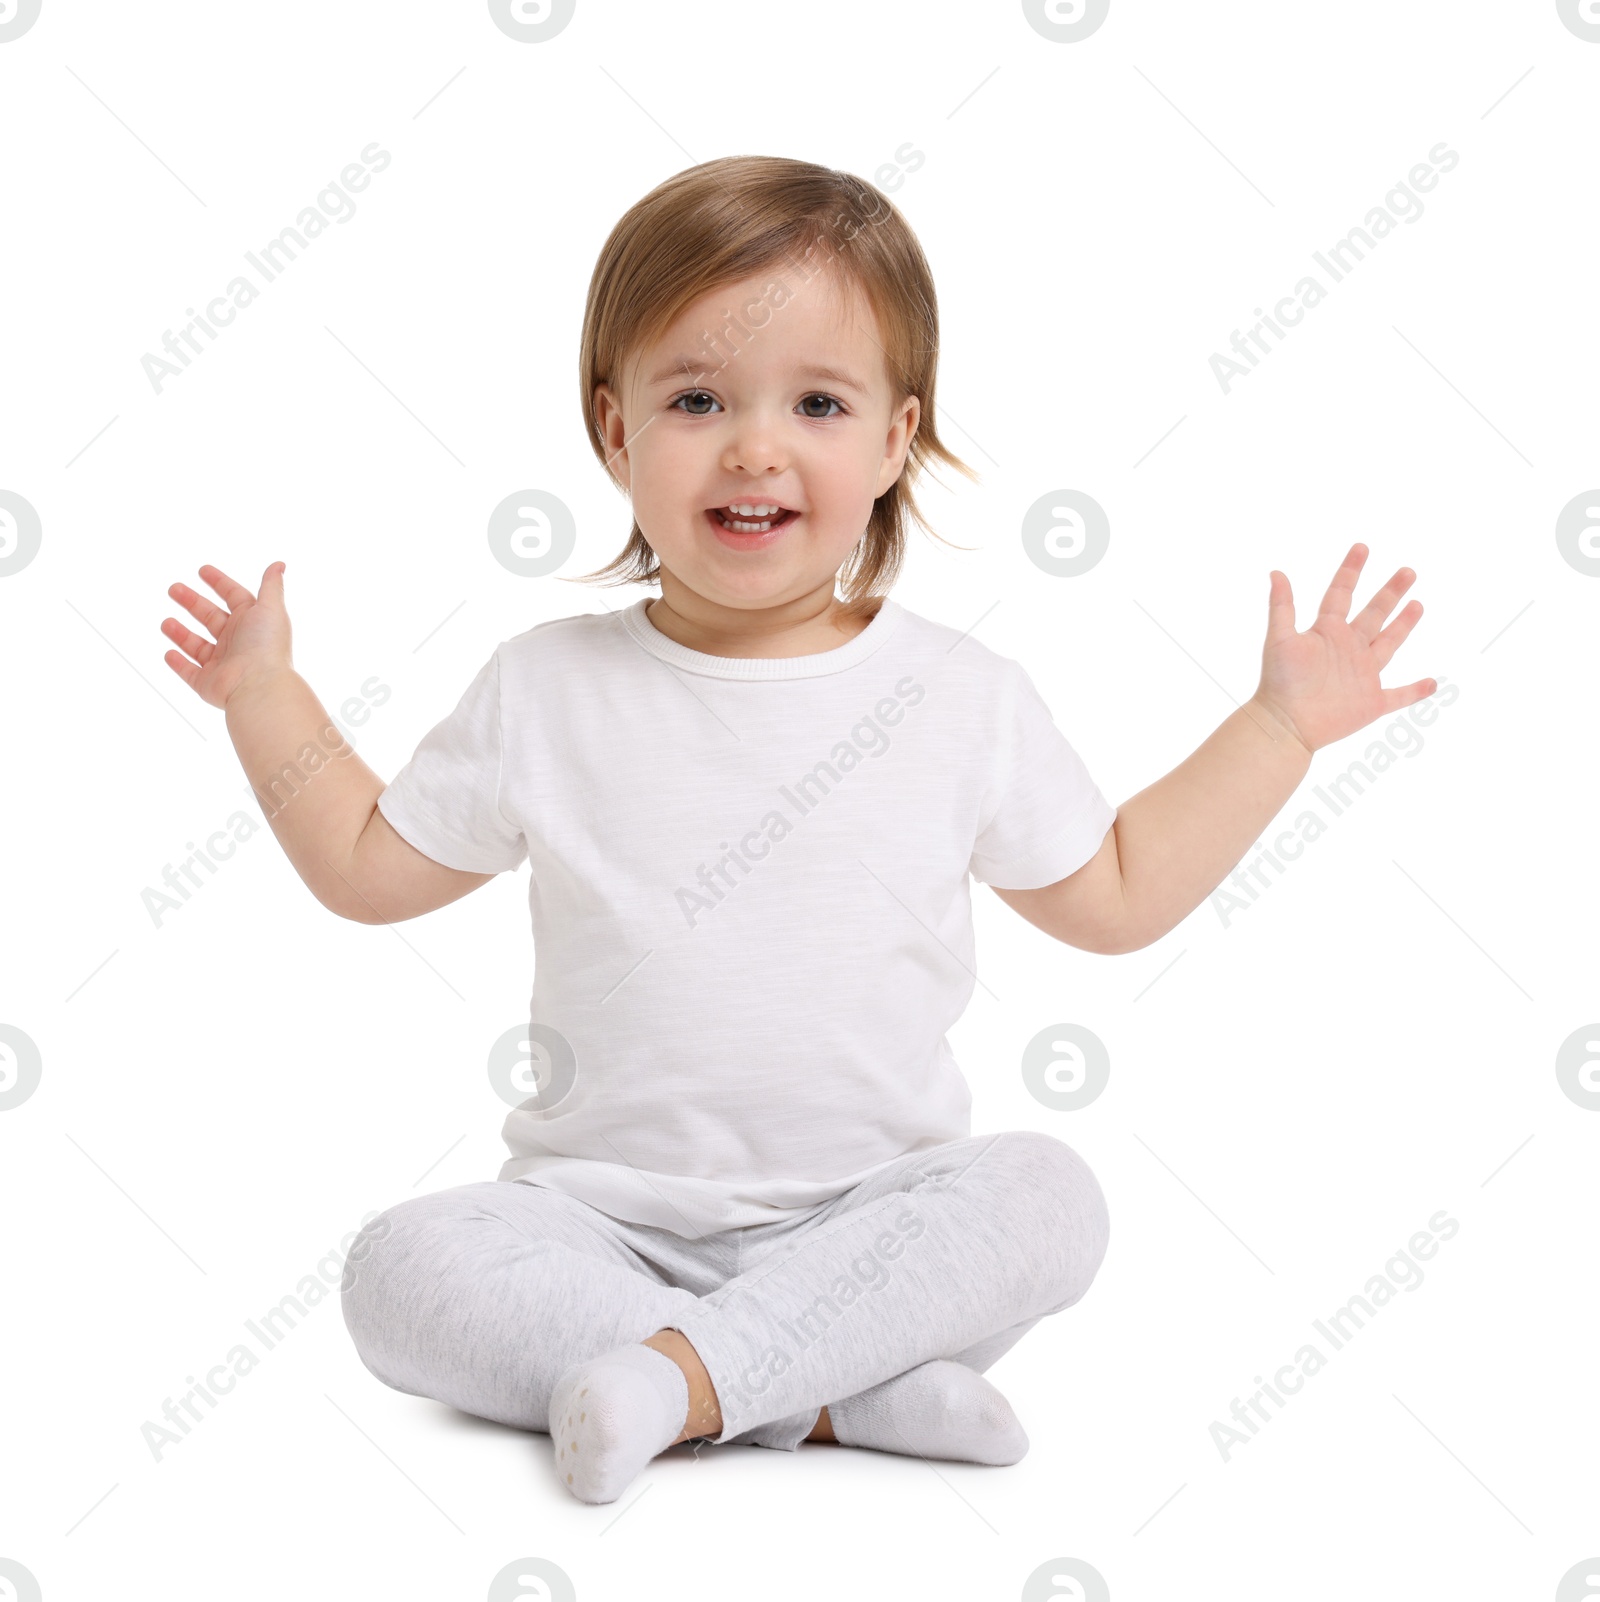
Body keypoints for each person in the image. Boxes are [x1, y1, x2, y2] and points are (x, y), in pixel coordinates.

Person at [158, 155, 1433, 1506]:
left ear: (893, 441)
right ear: (615, 433)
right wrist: (264, 695)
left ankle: (688, 1384)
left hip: (872, 1232)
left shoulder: (959, 696)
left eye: (817, 402)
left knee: (1050, 1192)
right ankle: (821, 1395)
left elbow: (1114, 892)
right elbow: (366, 868)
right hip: (598, 1231)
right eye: (697, 399)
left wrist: (1279, 729)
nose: (755, 445)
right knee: (396, 1270)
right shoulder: (546, 686)